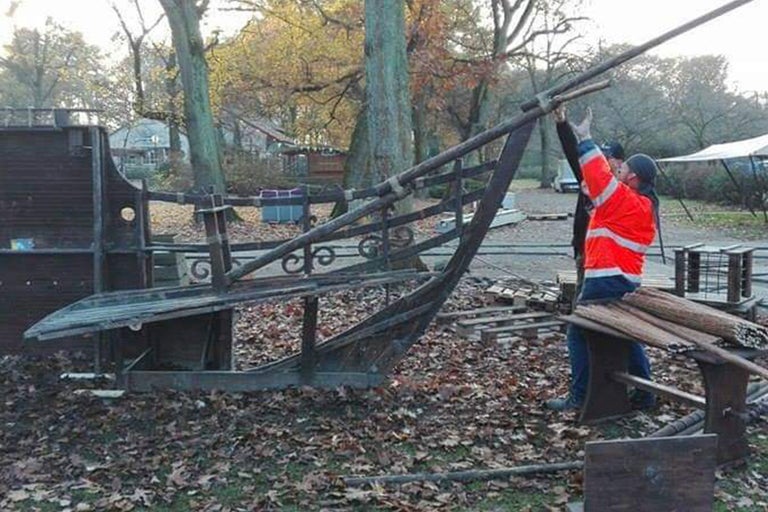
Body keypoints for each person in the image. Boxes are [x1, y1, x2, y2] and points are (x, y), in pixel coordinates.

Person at [547, 107, 659, 412]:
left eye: (622, 171)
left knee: (577, 332)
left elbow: (599, 177)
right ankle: (645, 393)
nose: (617, 173)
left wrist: (584, 138)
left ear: (633, 177)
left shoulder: (624, 198)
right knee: (625, 333)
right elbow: (605, 206)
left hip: (605, 279)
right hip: (625, 280)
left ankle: (580, 396)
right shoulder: (642, 206)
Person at [554, 107, 625, 302]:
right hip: (585, 250)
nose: (601, 158)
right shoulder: (590, 178)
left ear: (619, 162)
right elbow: (572, 152)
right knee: (582, 298)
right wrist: (562, 123)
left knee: (603, 302)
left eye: (607, 157)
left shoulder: (620, 188)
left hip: (608, 257)